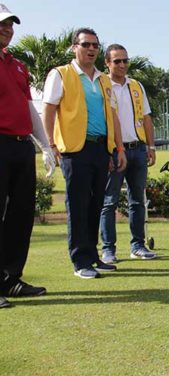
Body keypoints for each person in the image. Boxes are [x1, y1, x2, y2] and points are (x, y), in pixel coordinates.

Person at [42, 28, 127, 279]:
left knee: (95, 204)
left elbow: (113, 116)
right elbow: (48, 110)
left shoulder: (103, 80)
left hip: (100, 149)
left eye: (95, 45)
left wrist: (118, 148)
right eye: (86, 44)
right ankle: (80, 261)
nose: (91, 49)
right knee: (78, 205)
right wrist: (51, 145)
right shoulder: (61, 74)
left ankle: (92, 256)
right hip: (74, 150)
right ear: (74, 47)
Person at [0, 4, 56, 308]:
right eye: (2, 25)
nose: (7, 29)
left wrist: (45, 144)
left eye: (10, 25)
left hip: (22, 146)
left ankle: (9, 278)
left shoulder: (18, 65)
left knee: (21, 215)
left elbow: (28, 107)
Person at [99, 44, 157, 264]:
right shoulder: (103, 85)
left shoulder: (136, 86)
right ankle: (108, 250)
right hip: (114, 151)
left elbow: (147, 117)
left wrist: (151, 147)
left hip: (138, 149)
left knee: (137, 201)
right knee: (109, 202)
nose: (122, 65)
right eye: (117, 61)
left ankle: (138, 246)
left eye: (125, 60)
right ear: (107, 63)